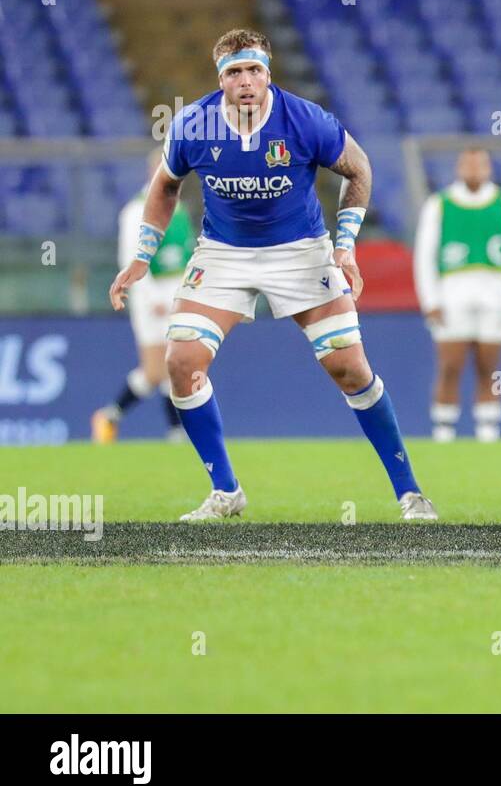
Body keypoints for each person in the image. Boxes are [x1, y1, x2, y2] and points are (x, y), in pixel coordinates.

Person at [108, 29, 436, 521]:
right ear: (221, 79)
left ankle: (410, 493)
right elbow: (164, 187)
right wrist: (141, 256)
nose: (245, 81)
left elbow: (359, 169)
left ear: (268, 72)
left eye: (254, 70)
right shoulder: (193, 125)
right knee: (181, 363)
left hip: (302, 250)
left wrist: (345, 245)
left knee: (349, 369)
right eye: (234, 72)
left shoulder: (304, 119)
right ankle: (226, 491)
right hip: (224, 253)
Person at [413, 148, 501, 442]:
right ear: (458, 168)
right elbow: (424, 255)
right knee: (450, 364)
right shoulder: (439, 204)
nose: (474, 170)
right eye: (468, 164)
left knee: (489, 366)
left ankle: (488, 428)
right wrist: (430, 300)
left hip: (495, 293)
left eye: (480, 164)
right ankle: (443, 428)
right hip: (452, 292)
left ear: (489, 168)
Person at [93, 149, 195, 443]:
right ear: (153, 172)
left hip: (179, 296)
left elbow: (188, 255)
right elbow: (131, 258)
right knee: (154, 371)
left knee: (175, 363)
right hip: (152, 300)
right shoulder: (136, 211)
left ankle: (175, 431)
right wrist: (152, 299)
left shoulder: (180, 208)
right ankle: (110, 415)